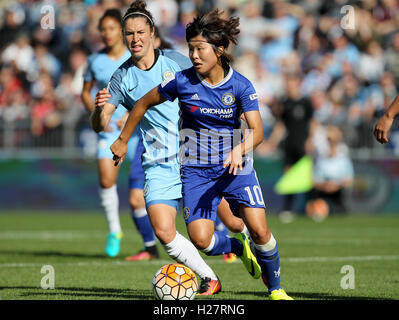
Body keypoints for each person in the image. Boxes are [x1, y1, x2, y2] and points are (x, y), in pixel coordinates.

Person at [110, 8, 293, 300]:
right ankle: (235, 247)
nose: (193, 55)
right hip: (196, 171)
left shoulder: (241, 85)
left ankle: (276, 289)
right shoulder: (182, 81)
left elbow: (257, 132)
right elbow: (143, 103)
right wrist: (122, 139)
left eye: (200, 49)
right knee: (202, 240)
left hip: (236, 168)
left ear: (219, 50)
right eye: (191, 49)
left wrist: (239, 150)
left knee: (258, 230)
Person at [90, 0, 251, 295]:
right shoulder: (121, 78)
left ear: (152, 33)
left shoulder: (177, 62)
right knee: (164, 232)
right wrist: (100, 112)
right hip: (158, 162)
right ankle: (210, 278)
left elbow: (212, 85)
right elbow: (101, 124)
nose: (135, 39)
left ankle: (246, 246)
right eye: (129, 33)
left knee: (231, 219)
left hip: (195, 156)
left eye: (140, 32)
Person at [81, 8, 158, 259]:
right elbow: (86, 92)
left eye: (111, 28)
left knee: (139, 195)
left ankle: (154, 244)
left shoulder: (135, 56)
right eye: (102, 29)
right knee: (106, 181)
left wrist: (129, 116)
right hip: (108, 132)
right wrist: (98, 112)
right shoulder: (94, 61)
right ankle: (115, 230)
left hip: (138, 132)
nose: (106, 33)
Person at [306, 125, 354, 221]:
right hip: (323, 192)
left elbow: (349, 180)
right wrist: (325, 185)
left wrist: (336, 185)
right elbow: (315, 180)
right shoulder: (321, 159)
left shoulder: (343, 159)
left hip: (338, 192)